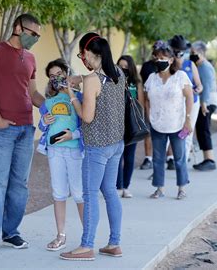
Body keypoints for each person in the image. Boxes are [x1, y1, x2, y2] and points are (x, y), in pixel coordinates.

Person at [0, 14, 44, 252]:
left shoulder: (31, 58)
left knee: (20, 185)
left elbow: (34, 93)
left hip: (26, 128)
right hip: (3, 129)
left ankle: (11, 232)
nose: (34, 38)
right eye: (32, 33)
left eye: (38, 35)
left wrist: (52, 107)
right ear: (18, 27)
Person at [60, 32, 125, 261]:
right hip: (117, 143)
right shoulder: (118, 73)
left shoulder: (92, 80)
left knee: (89, 194)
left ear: (88, 52)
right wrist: (79, 80)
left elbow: (86, 117)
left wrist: (71, 95)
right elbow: (102, 92)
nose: (81, 59)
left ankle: (86, 245)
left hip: (97, 147)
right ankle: (114, 243)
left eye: (81, 54)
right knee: (110, 192)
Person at [37, 59, 84, 251]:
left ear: (67, 73)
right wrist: (44, 121)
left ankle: (86, 237)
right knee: (59, 193)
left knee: (80, 193)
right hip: (54, 151)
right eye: (52, 76)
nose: (56, 78)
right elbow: (42, 126)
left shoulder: (80, 97)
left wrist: (73, 135)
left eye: (59, 74)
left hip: (74, 150)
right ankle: (60, 235)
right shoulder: (48, 101)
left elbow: (88, 123)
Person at [144, 37, 193, 200]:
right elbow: (146, 98)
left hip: (177, 124)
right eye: (157, 58)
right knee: (158, 158)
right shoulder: (151, 78)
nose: (159, 61)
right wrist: (148, 115)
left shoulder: (181, 77)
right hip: (157, 124)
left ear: (171, 60)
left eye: (163, 58)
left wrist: (188, 119)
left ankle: (181, 188)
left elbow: (189, 97)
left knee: (179, 157)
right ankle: (159, 188)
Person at [165, 38, 203, 171]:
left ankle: (183, 165)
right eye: (176, 50)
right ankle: (170, 158)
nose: (179, 52)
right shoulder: (169, 64)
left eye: (181, 50)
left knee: (187, 132)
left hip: (192, 102)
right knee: (170, 131)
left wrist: (197, 89)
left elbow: (199, 84)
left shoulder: (190, 64)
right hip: (174, 104)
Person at [116, 55, 145, 198]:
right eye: (120, 66)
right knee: (117, 156)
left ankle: (126, 186)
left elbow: (141, 103)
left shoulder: (136, 82)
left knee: (129, 157)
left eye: (126, 67)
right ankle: (118, 186)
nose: (123, 69)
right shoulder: (113, 81)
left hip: (131, 124)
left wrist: (141, 122)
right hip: (117, 123)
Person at [190, 41, 217, 171]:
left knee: (204, 129)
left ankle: (210, 159)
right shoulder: (199, 65)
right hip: (204, 102)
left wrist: (203, 104)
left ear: (201, 53)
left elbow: (206, 87)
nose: (191, 55)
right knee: (201, 130)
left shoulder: (205, 67)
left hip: (207, 102)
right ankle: (207, 158)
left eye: (193, 53)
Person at [138, 41, 161, 170]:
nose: (156, 53)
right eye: (155, 50)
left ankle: (169, 158)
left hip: (164, 105)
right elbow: (141, 83)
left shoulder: (168, 65)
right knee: (148, 131)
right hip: (149, 102)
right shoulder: (147, 66)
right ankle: (148, 158)